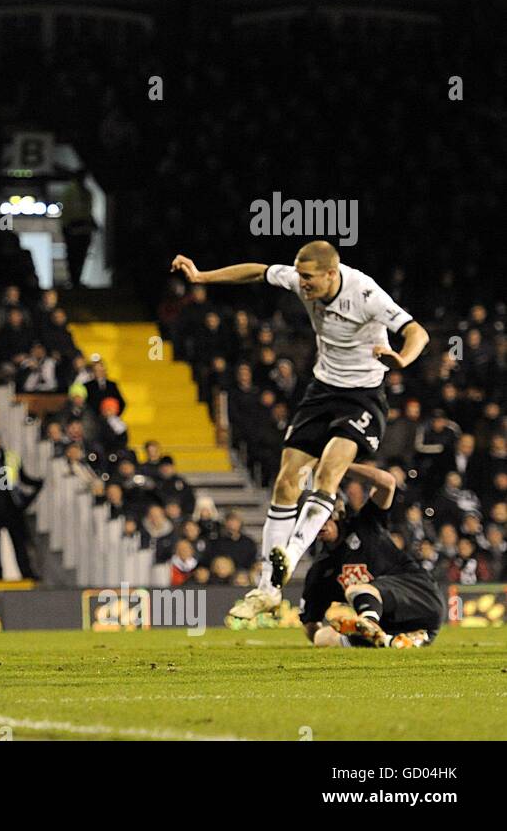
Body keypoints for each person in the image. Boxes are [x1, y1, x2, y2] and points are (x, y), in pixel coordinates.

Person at [172, 241, 430, 622]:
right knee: (286, 481)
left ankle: (289, 557)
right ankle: (268, 590)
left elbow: (417, 332)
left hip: (361, 397)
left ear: (331, 273)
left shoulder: (365, 293)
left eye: (308, 277)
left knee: (329, 472)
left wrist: (402, 358)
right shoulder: (299, 279)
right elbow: (257, 270)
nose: (301, 283)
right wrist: (202, 276)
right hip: (322, 391)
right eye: (299, 275)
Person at [300, 462, 442, 648]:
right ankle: (388, 640)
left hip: (420, 598)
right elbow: (311, 624)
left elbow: (387, 482)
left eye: (322, 517)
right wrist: (317, 634)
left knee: (356, 589)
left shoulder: (366, 523)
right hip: (399, 626)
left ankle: (368, 624)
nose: (320, 524)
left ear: (338, 511)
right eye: (312, 519)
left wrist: (338, 465)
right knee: (322, 638)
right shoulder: (321, 569)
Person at [0, 431, 42, 579]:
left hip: (11, 507)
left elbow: (23, 478)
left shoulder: (11, 457)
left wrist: (38, 484)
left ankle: (27, 572)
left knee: (19, 542)